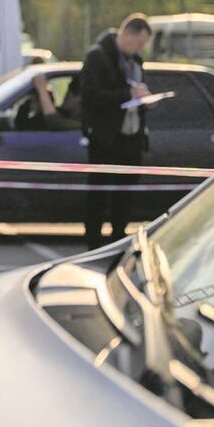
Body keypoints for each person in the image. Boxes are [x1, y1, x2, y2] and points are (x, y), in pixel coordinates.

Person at [79, 14, 152, 250]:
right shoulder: (98, 57)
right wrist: (126, 96)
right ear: (127, 34)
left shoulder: (136, 62)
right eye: (139, 42)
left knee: (125, 193)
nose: (141, 48)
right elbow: (90, 97)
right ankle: (93, 243)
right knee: (100, 193)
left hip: (132, 136)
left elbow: (136, 92)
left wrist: (146, 100)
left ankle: (117, 239)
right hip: (106, 137)